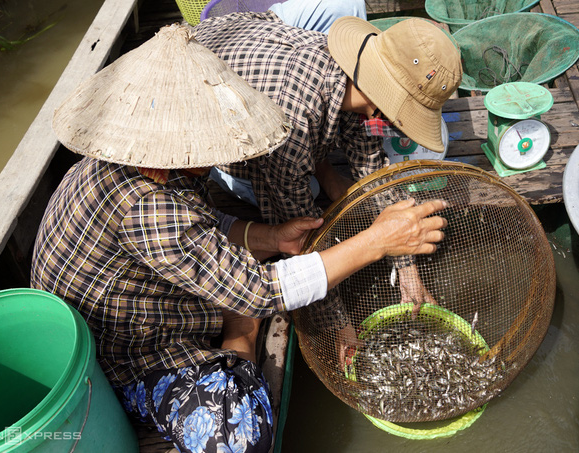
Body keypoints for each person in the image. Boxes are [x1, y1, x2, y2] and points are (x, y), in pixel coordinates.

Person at [31, 24, 448, 453]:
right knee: (243, 438)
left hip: (148, 292)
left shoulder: (144, 159)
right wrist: (377, 241)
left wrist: (269, 236)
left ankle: (232, 321)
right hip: (122, 351)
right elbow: (261, 291)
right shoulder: (149, 207)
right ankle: (239, 334)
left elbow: (204, 218)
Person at [195, 11, 462, 317]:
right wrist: (338, 322)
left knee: (331, 164)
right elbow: (305, 242)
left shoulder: (346, 73)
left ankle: (322, 166)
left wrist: (407, 271)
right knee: (303, 194)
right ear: (382, 105)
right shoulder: (291, 124)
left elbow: (373, 167)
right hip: (214, 122)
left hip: (240, 50)